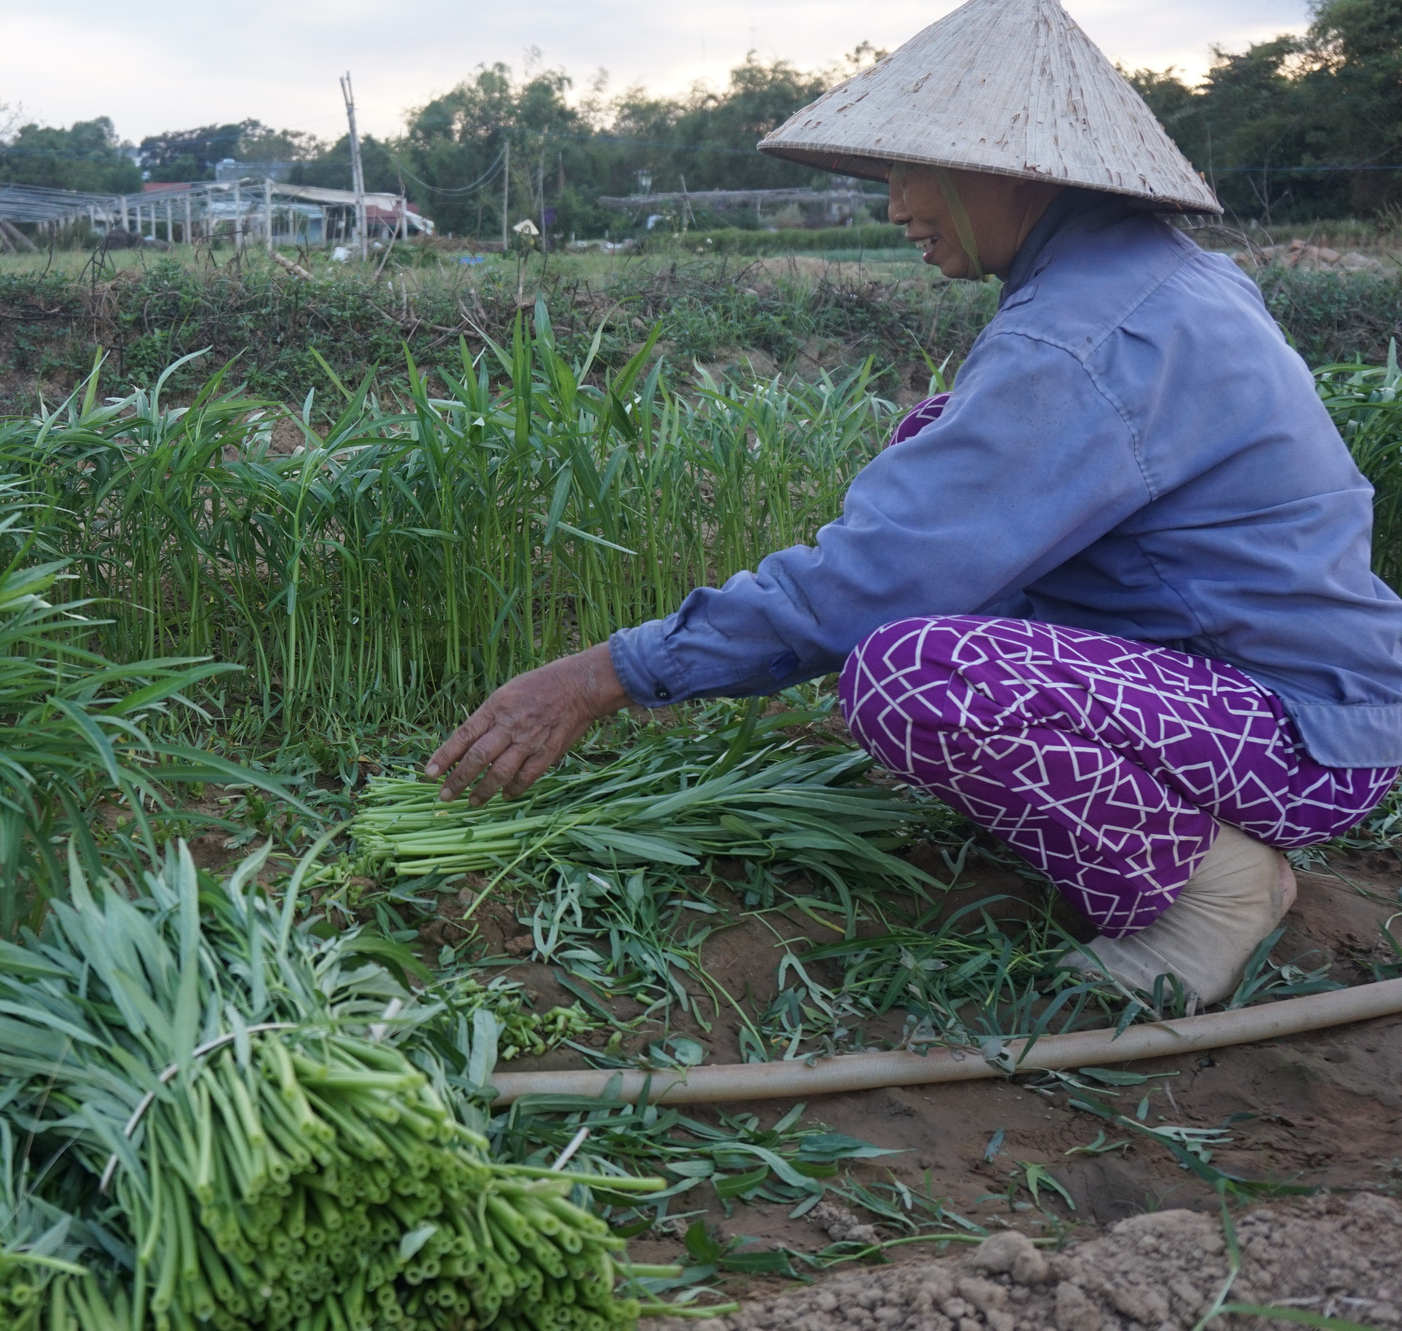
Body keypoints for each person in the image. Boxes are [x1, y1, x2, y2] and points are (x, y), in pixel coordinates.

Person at [424, 0, 1402, 1008]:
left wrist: (604, 673)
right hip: (1271, 694)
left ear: (1008, 170)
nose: (892, 205)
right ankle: (1174, 830)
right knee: (928, 437)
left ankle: (1215, 891)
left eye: (906, 171)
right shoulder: (1141, 280)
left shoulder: (1077, 338)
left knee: (911, 676)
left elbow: (865, 586)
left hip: (1290, 732)